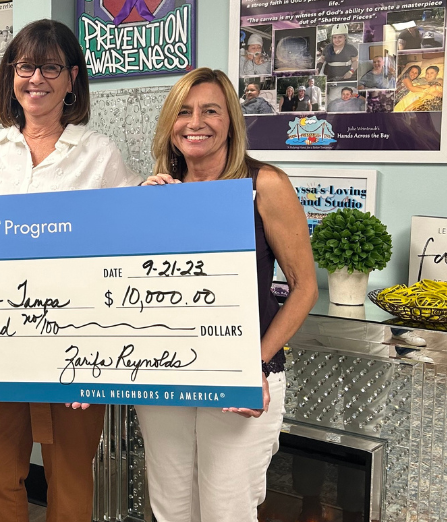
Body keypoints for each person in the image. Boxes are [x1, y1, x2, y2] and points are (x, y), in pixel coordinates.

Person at [0, 19, 140, 522]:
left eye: (51, 67)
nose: (36, 78)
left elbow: (130, 236)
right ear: (11, 76)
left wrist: (158, 198)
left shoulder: (98, 153)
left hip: (77, 337)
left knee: (72, 472)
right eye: (25, 66)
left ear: (72, 78)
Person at [135, 67, 318, 522]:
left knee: (226, 512)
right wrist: (136, 208)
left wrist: (252, 364)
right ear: (170, 123)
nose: (195, 122)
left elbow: (304, 288)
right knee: (171, 509)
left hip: (239, 376)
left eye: (210, 110)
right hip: (166, 378)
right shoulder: (160, 191)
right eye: (184, 111)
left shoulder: (264, 185)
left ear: (231, 120)